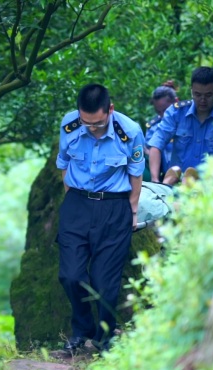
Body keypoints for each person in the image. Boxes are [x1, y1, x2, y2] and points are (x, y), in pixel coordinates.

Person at [55, 84, 144, 352]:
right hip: (77, 203)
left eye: (97, 123)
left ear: (110, 110)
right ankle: (82, 330)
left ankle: (105, 337)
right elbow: (64, 165)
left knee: (105, 283)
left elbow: (135, 175)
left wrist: (132, 212)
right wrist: (73, 203)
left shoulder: (129, 132)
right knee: (70, 276)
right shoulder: (69, 125)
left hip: (114, 207)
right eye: (86, 122)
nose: (91, 128)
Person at [147, 67, 213, 185]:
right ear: (191, 91)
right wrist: (155, 180)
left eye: (208, 95)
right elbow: (157, 145)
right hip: (174, 186)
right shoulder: (176, 112)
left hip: (209, 187)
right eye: (197, 94)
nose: (202, 100)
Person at [143, 80, 179, 181]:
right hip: (164, 178)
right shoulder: (153, 127)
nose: (163, 115)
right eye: (159, 112)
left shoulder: (189, 121)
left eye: (166, 110)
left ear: (176, 102)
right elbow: (149, 154)